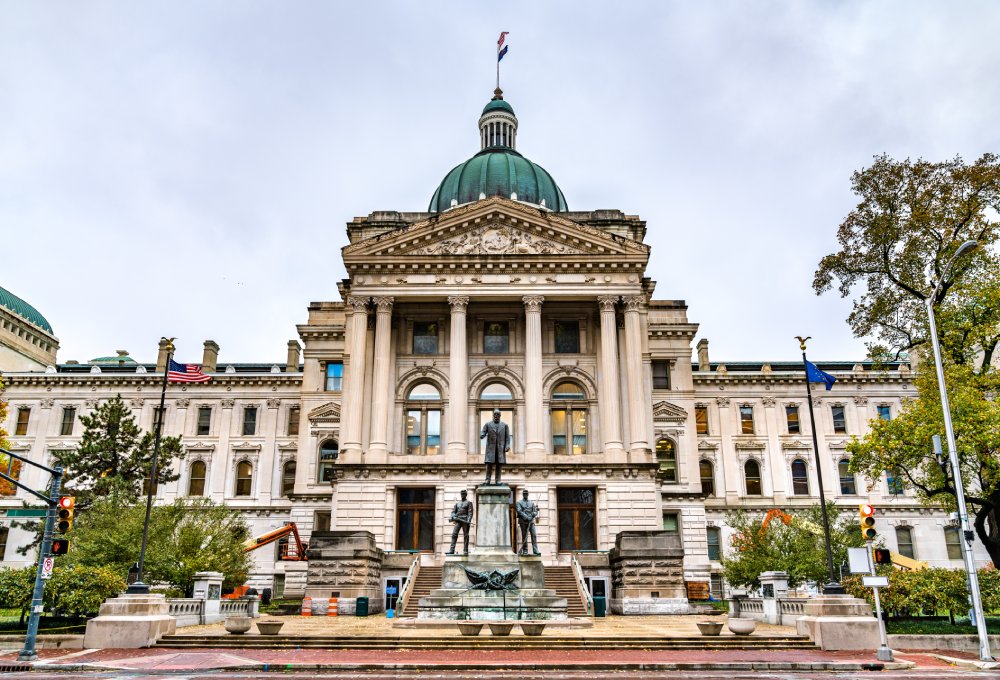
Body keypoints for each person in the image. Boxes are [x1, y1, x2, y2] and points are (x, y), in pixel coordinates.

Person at [480, 408, 511, 485]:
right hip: (491, 449)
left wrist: (507, 445)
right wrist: (482, 434)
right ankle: (487, 479)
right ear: (493, 415)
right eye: (495, 414)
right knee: (489, 464)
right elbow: (483, 431)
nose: (496, 416)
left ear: (500, 416)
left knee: (499, 465)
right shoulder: (488, 424)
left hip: (500, 448)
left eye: (497, 414)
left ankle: (498, 480)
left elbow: (507, 437)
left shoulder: (505, 425)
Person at [446, 490, 473, 555]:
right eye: (461, 494)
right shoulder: (457, 503)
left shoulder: (469, 503)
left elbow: (470, 512)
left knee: (466, 535)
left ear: (466, 495)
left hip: (465, 520)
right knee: (454, 534)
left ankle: (465, 550)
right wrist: (453, 516)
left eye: (464, 494)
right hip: (458, 520)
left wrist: (468, 521)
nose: (462, 495)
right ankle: (452, 550)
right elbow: (453, 512)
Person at [515, 488, 540, 556]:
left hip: (531, 521)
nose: (525, 495)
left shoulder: (531, 503)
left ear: (528, 494)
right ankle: (525, 550)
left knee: (534, 535)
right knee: (524, 536)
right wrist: (527, 517)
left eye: (526, 494)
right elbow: (519, 511)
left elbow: (534, 511)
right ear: (523, 494)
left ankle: (535, 550)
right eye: (524, 494)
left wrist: (534, 513)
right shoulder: (519, 502)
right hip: (523, 521)